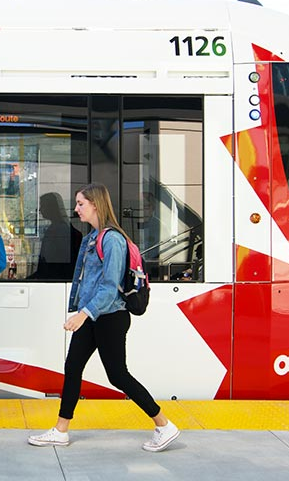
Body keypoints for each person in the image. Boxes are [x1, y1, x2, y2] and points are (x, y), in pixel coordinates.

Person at [28, 183, 179, 452]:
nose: (76, 209)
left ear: (95, 204)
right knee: (73, 367)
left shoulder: (112, 240)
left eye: (80, 204)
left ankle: (164, 425)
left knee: (118, 375)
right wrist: (81, 310)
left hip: (110, 317)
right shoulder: (91, 238)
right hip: (93, 316)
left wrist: (83, 314)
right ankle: (61, 430)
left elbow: (110, 287)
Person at [29, 192, 82, 280]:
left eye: (42, 206)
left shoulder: (59, 231)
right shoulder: (61, 228)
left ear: (51, 208)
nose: (40, 210)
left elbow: (51, 264)